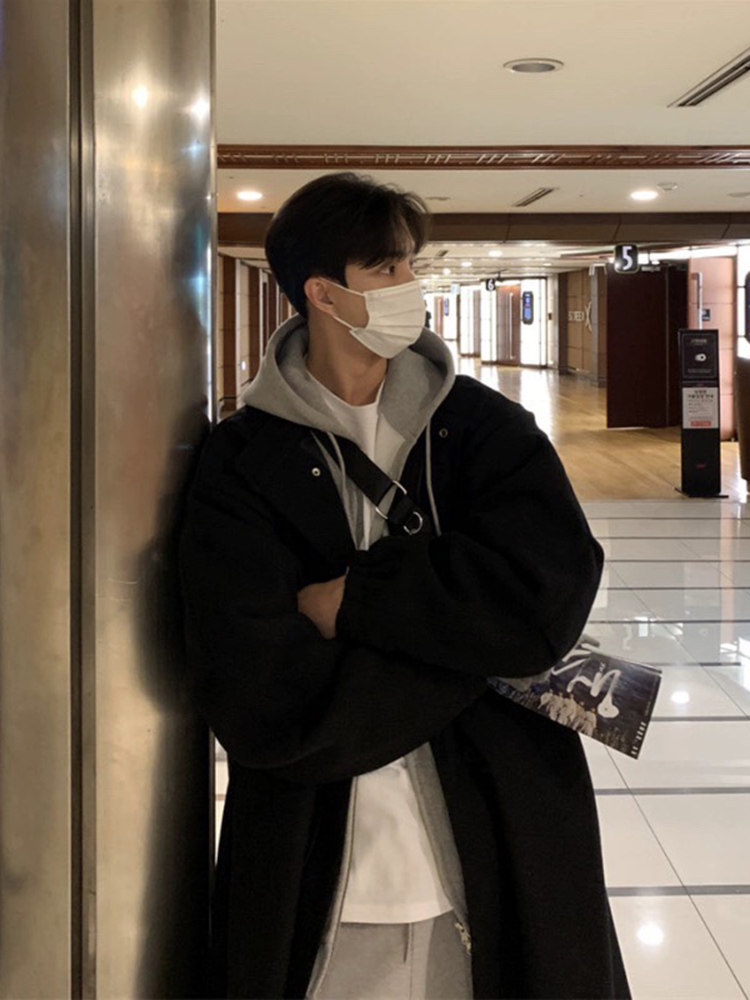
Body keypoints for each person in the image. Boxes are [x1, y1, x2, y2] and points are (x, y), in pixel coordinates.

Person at [179, 172, 630, 1000]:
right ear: (322, 293)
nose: (409, 285)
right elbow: (259, 695)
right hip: (317, 871)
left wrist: (356, 603)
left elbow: (546, 601)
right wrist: (470, 654)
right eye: (386, 268)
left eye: (409, 264)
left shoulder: (485, 429)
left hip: (506, 840)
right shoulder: (240, 462)